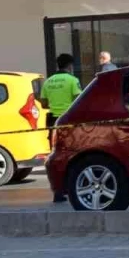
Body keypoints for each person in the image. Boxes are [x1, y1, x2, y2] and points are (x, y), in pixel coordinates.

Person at [40, 53, 83, 202]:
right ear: (70, 66)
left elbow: (44, 103)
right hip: (68, 120)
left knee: (54, 155)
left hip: (53, 122)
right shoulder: (72, 80)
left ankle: (57, 192)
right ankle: (73, 188)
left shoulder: (48, 82)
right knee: (74, 155)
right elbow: (79, 100)